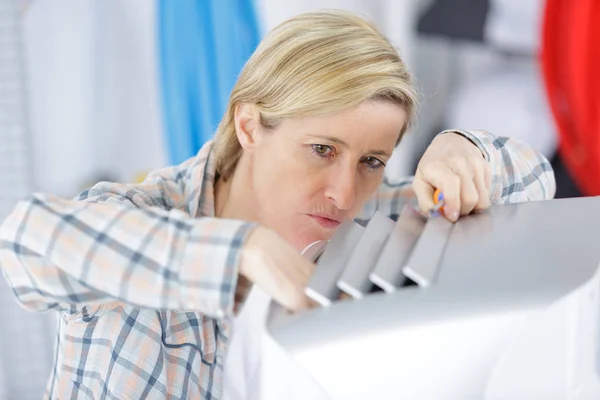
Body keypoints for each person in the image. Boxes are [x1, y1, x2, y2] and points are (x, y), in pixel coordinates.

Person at [0, 10, 555, 400]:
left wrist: (465, 149)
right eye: (321, 150)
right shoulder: (145, 214)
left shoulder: (371, 218)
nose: (343, 192)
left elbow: (534, 179)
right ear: (248, 125)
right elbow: (26, 241)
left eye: (371, 161)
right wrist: (238, 252)